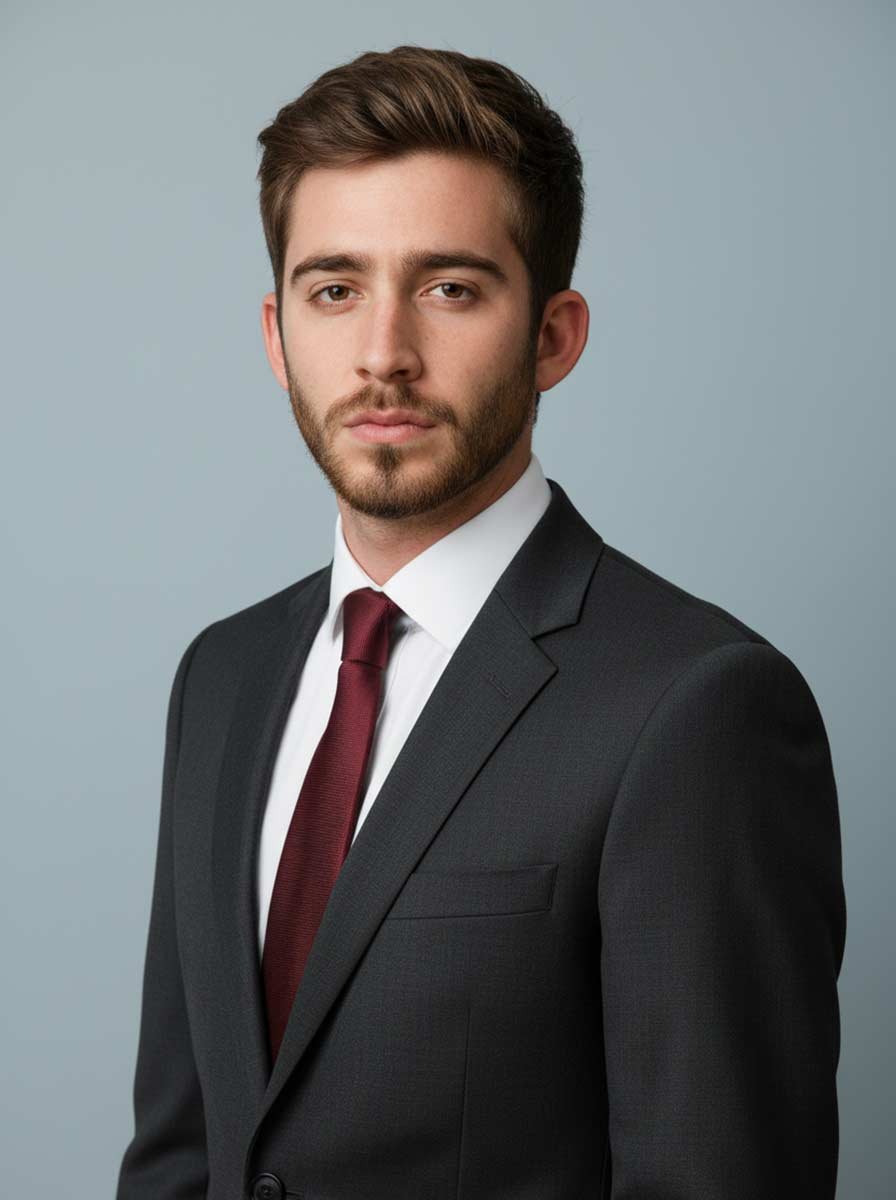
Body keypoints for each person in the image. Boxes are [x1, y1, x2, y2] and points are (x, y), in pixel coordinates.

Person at [115, 44, 846, 1200]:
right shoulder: (223, 675)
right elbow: (181, 1151)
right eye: (334, 289)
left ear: (552, 334)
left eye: (449, 287)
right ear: (275, 335)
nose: (381, 355)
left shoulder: (696, 706)